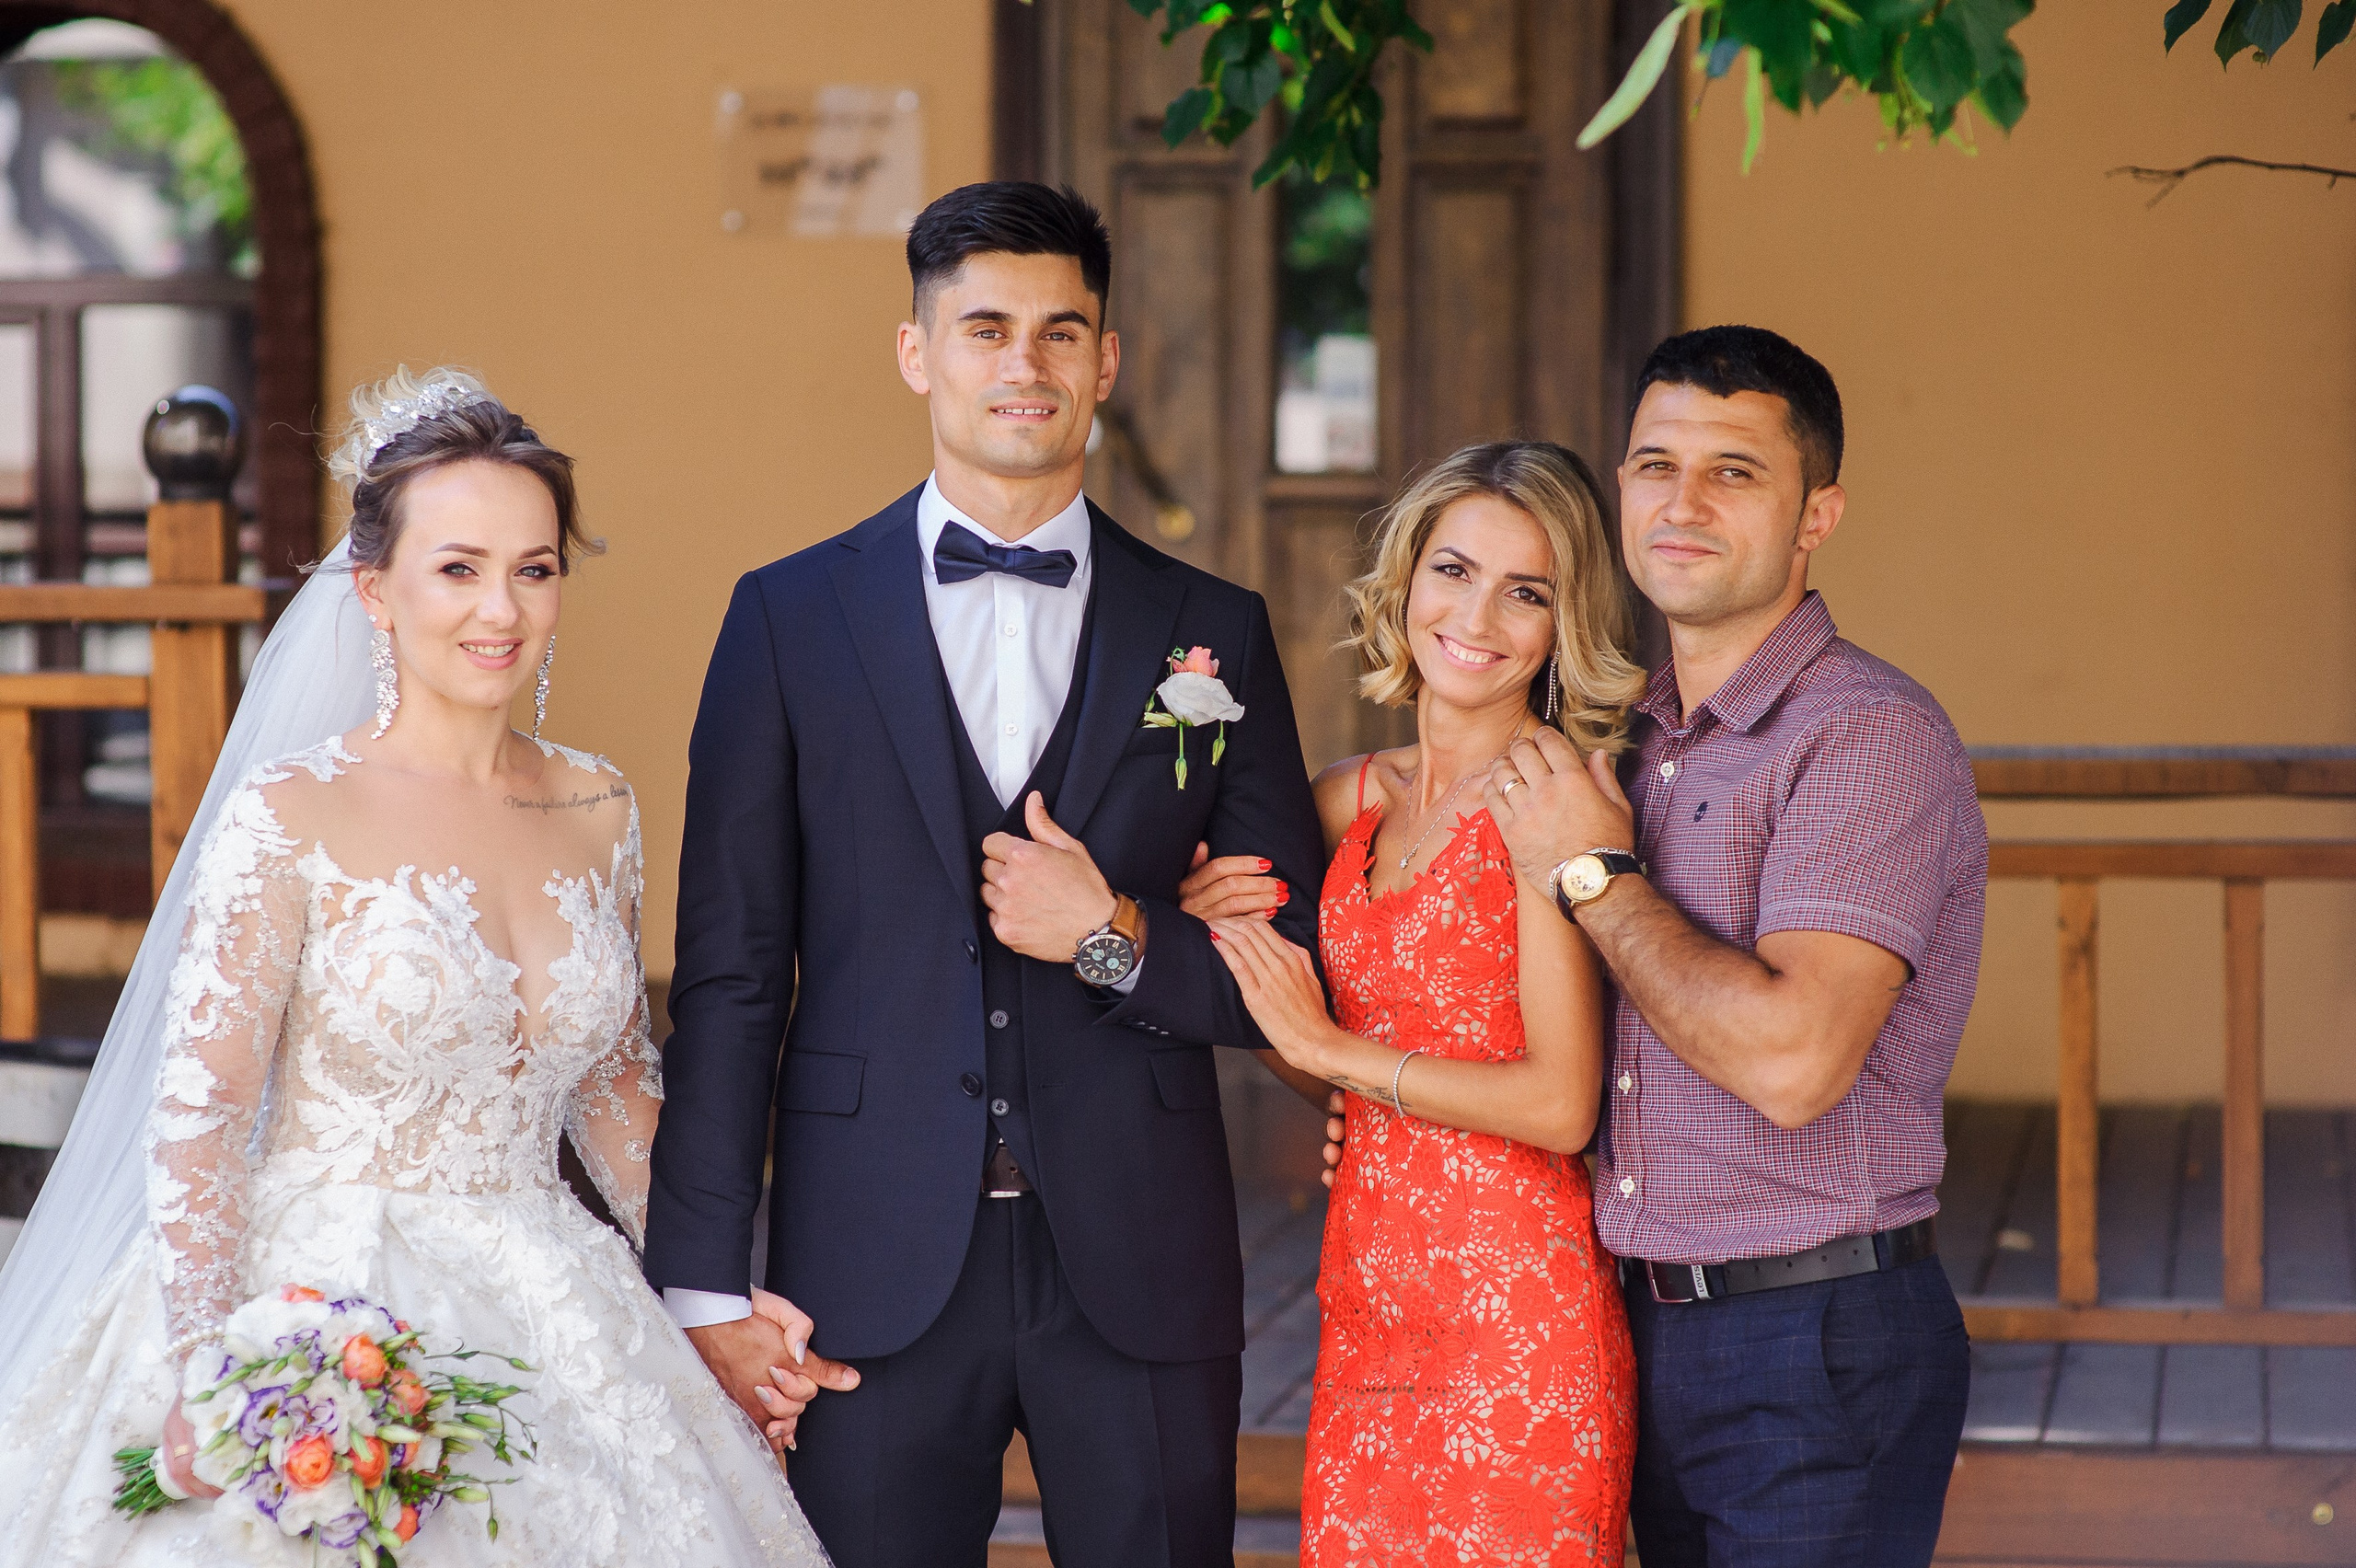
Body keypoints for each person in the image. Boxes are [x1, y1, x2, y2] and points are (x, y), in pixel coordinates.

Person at [0, 368, 829, 1565]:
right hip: (321, 1305)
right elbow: (203, 1116)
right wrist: (210, 1374)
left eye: (534, 569)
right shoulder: (291, 812)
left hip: (557, 1297)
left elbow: (613, 1100)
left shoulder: (601, 804)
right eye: (459, 568)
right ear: (374, 590)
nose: (501, 609)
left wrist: (707, 1305)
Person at [647, 180, 1327, 1568]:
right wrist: (703, 1277)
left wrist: (1119, 937)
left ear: (1106, 361)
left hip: (1140, 1257)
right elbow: (728, 974)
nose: (1026, 364)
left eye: (1061, 332)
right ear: (918, 354)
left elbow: (1292, 969)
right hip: (864, 1266)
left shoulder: (1216, 630)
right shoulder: (786, 618)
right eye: (986, 329)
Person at [1482, 326, 1986, 1566]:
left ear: (1819, 512)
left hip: (1815, 1335)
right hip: (1637, 1324)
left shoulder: (1868, 738)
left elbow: (1792, 1060)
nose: (1682, 503)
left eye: (1734, 471)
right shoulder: (1630, 738)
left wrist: (1592, 875)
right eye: (1655, 465)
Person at [1181, 442, 1645, 1566]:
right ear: (1402, 583)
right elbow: (1303, 1029)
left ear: (1561, 624)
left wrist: (1340, 1057)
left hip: (1517, 1315)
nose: (1476, 615)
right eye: (1453, 569)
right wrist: (1206, 903)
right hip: (1366, 1303)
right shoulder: (1349, 799)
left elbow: (1560, 1104)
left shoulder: (1553, 800)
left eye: (1524, 591)